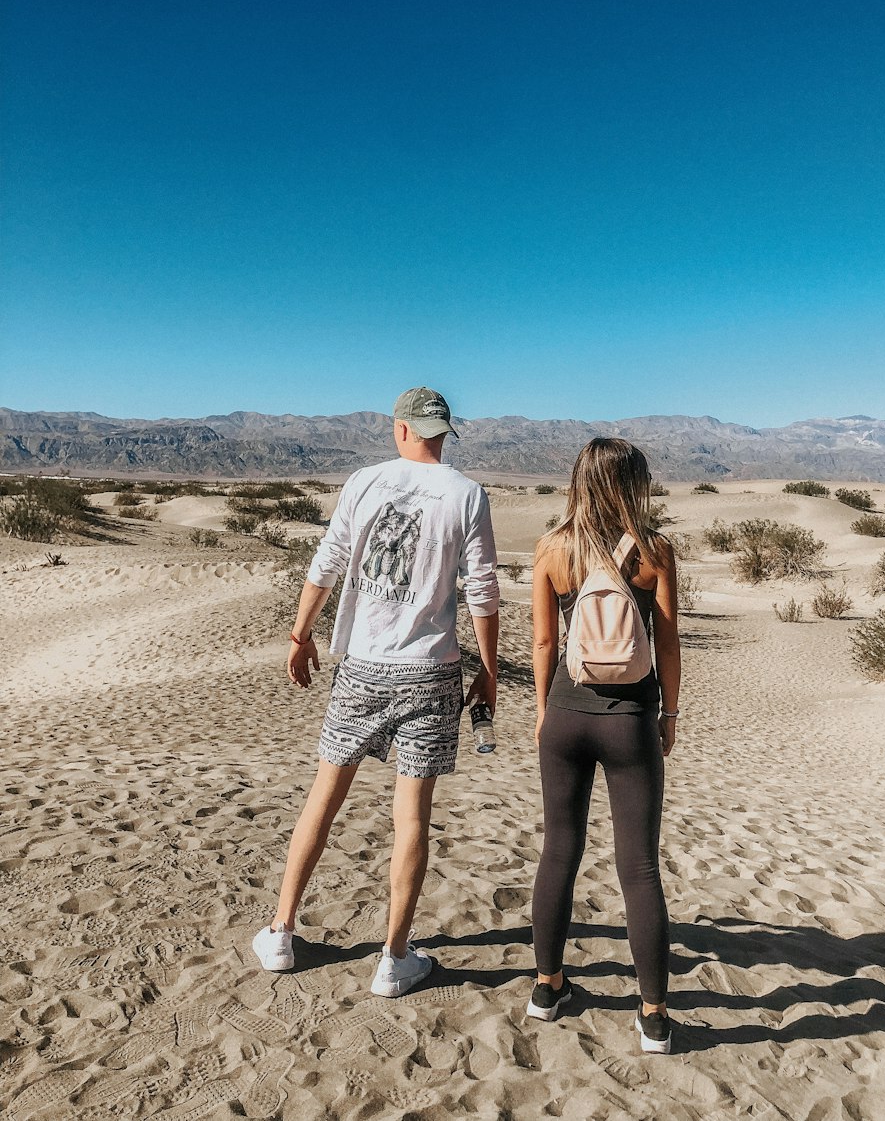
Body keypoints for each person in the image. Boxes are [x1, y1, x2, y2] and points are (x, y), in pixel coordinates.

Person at [252, 387, 500, 997]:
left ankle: (282, 931)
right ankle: (393, 958)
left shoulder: (364, 481)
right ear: (441, 432)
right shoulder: (467, 495)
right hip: (430, 670)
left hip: (362, 666)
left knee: (324, 795)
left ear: (400, 429)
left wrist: (301, 632)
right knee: (412, 815)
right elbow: (483, 591)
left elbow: (327, 560)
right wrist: (489, 670)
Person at [528, 438, 680, 1053]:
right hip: (631, 719)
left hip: (566, 714)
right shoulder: (654, 551)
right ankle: (653, 1018)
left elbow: (542, 644)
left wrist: (543, 712)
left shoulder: (552, 548)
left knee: (559, 849)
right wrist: (670, 712)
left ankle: (547, 988)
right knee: (640, 866)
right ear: (634, 484)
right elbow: (667, 642)